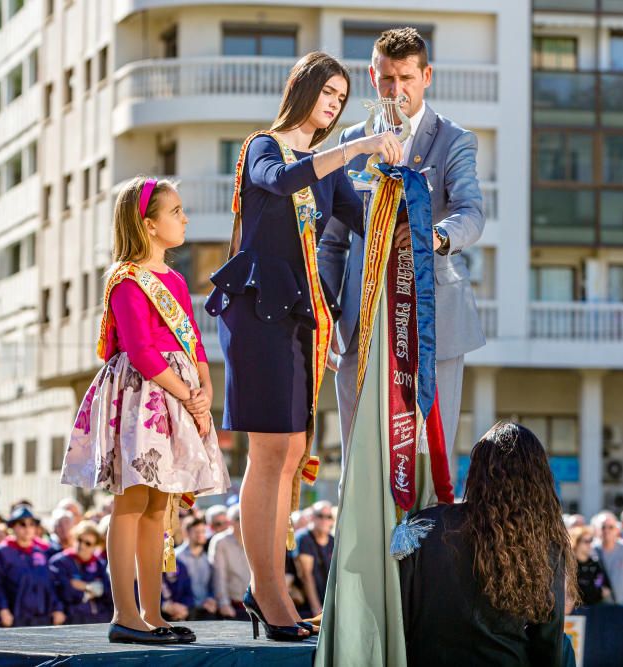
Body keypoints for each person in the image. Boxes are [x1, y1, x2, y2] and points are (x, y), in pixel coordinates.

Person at [203, 50, 387, 641]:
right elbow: (281, 181)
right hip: (257, 311)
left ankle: (272, 590)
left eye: (340, 97)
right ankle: (267, 592)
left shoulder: (328, 168)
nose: (333, 104)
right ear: (302, 89)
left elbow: (367, 224)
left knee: (290, 455)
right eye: (326, 92)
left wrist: (420, 216)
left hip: (303, 320)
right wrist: (357, 148)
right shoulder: (264, 145)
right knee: (269, 453)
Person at [61, 176, 229, 646]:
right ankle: (125, 613)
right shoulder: (127, 280)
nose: (185, 218)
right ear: (149, 224)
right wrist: (186, 392)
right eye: (175, 211)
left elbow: (193, 339)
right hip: (143, 395)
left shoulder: (175, 278)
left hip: (179, 392)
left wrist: (205, 387)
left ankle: (152, 614)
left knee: (160, 504)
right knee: (132, 500)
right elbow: (141, 351)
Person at [319, 27, 486, 486]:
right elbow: (331, 242)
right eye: (387, 79)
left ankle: (426, 558)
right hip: (361, 324)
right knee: (360, 462)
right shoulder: (349, 143)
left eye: (406, 78)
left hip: (437, 322)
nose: (397, 90)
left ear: (426, 75)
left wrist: (432, 238)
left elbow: (472, 212)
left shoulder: (454, 140)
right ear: (373, 77)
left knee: (431, 462)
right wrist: (328, 311)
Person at [399, 423, 576, 666]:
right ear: (539, 479)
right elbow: (548, 643)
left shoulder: (424, 526)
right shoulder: (545, 544)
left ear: (476, 471)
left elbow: (398, 618)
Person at [0, 505, 64, 628]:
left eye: (31, 524)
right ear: (12, 527)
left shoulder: (41, 552)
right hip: (14, 618)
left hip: (42, 617)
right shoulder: (0, 552)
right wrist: (2, 608)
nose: (27, 528)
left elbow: (50, 583)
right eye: (22, 524)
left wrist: (57, 608)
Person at [49, 520, 112, 622]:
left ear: (95, 546)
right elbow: (66, 592)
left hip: (99, 619)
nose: (82, 545)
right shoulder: (59, 562)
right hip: (72, 620)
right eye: (79, 540)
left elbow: (108, 591)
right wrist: (92, 590)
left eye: (88, 543)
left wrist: (85, 587)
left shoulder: (100, 564)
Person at [292, 500, 334, 617]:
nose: (324, 520)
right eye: (320, 515)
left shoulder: (333, 541)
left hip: (326, 602)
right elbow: (306, 575)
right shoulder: (303, 538)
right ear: (312, 517)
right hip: (306, 606)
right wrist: (317, 609)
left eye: (329, 516)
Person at [209, 504, 250, 622]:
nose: (243, 521)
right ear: (230, 522)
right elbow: (219, 576)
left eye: (246, 517)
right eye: (239, 518)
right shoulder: (220, 541)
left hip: (254, 605)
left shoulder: (255, 540)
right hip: (232, 605)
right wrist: (224, 603)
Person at [175, 516, 219, 619]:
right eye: (197, 532)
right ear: (187, 533)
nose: (201, 535)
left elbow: (211, 585)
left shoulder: (207, 558)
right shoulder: (176, 557)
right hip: (184, 612)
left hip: (206, 610)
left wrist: (211, 598)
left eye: (203, 531)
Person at [570, 526, 611, 606]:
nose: (590, 544)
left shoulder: (595, 563)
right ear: (576, 543)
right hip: (575, 611)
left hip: (594, 610)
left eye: (591, 540)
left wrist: (596, 590)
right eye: (586, 541)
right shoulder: (568, 565)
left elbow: (605, 588)